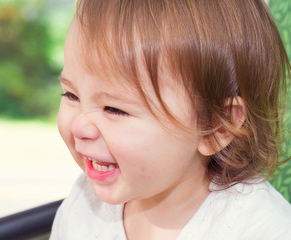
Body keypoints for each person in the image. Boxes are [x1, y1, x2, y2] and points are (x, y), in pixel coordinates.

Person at [50, 0, 291, 239]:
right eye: (71, 95)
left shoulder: (263, 229)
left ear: (215, 127)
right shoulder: (82, 206)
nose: (79, 126)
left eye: (114, 109)